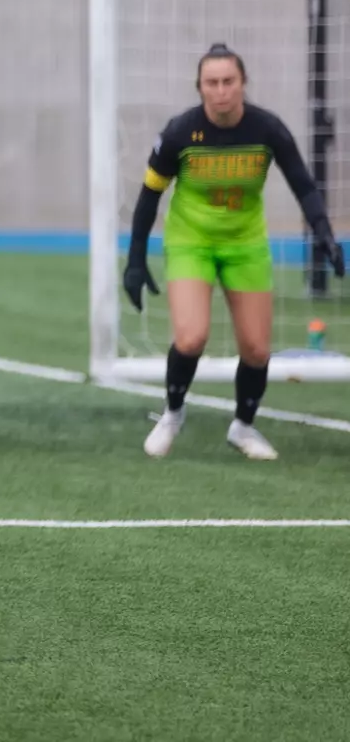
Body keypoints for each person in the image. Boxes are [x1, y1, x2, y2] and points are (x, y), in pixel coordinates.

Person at [124, 43, 344, 460]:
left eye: (229, 81)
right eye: (212, 83)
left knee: (258, 349)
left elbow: (303, 185)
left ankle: (243, 427)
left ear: (243, 84)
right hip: (192, 241)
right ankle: (172, 414)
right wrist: (135, 259)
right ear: (200, 88)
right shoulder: (179, 133)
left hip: (246, 243)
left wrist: (325, 235)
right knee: (191, 337)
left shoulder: (267, 130)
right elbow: (150, 195)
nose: (221, 90)